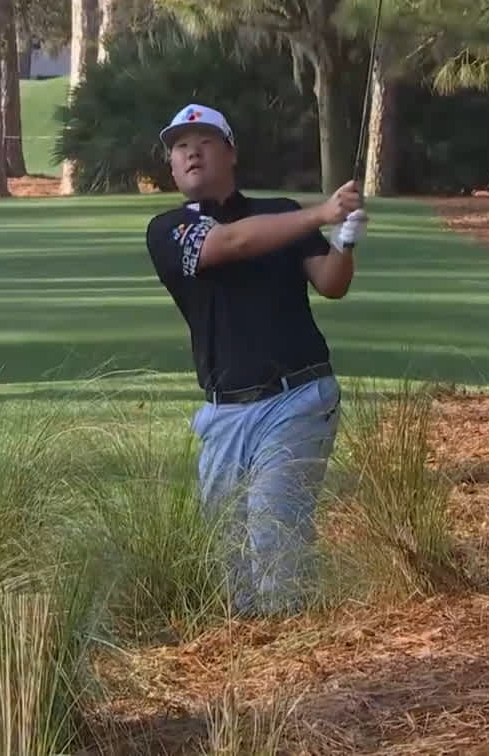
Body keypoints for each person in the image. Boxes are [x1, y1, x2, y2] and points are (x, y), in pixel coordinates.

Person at [145, 103, 366, 618]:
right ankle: (253, 667)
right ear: (173, 167)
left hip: (298, 398)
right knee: (231, 564)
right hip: (223, 415)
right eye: (180, 146)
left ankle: (299, 660)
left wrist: (345, 239)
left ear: (231, 152)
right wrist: (320, 213)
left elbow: (332, 284)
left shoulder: (282, 212)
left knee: (274, 540)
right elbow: (233, 242)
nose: (191, 151)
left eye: (203, 140)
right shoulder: (168, 230)